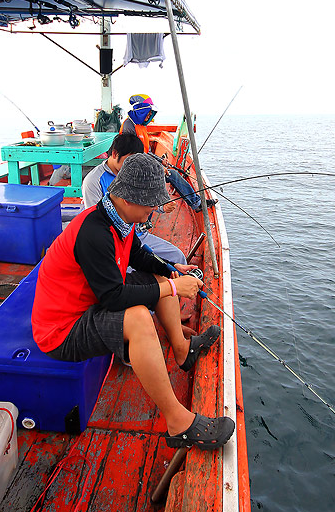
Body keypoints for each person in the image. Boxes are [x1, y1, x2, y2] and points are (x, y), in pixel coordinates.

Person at [31, 153, 234, 451]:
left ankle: (182, 350)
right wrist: (175, 288)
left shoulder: (116, 219)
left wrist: (171, 271)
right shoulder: (94, 233)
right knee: (138, 316)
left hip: (86, 307)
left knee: (159, 281)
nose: (155, 208)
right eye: (151, 202)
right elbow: (113, 297)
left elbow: (139, 255)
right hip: (60, 332)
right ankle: (178, 423)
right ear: (129, 200)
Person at [82, 132, 186, 265]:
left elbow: (143, 200)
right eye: (129, 160)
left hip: (138, 235)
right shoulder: (93, 181)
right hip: (113, 241)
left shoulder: (135, 173)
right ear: (114, 154)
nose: (132, 166)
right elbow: (95, 221)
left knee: (178, 258)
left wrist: (161, 207)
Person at [120, 94, 216, 213]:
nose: (149, 116)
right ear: (140, 111)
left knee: (173, 174)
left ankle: (196, 203)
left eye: (150, 114)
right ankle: (150, 212)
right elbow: (133, 156)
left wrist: (160, 161)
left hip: (143, 165)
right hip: (134, 171)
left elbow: (147, 152)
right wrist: (158, 168)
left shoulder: (141, 126)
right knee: (163, 179)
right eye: (147, 113)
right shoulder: (128, 126)